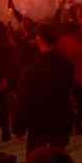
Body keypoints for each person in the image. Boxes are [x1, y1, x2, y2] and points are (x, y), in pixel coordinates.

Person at [15, 24, 75, 152]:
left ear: (39, 39)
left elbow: (23, 99)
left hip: (39, 124)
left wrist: (19, 127)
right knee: (58, 158)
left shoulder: (31, 70)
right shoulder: (67, 65)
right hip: (60, 120)